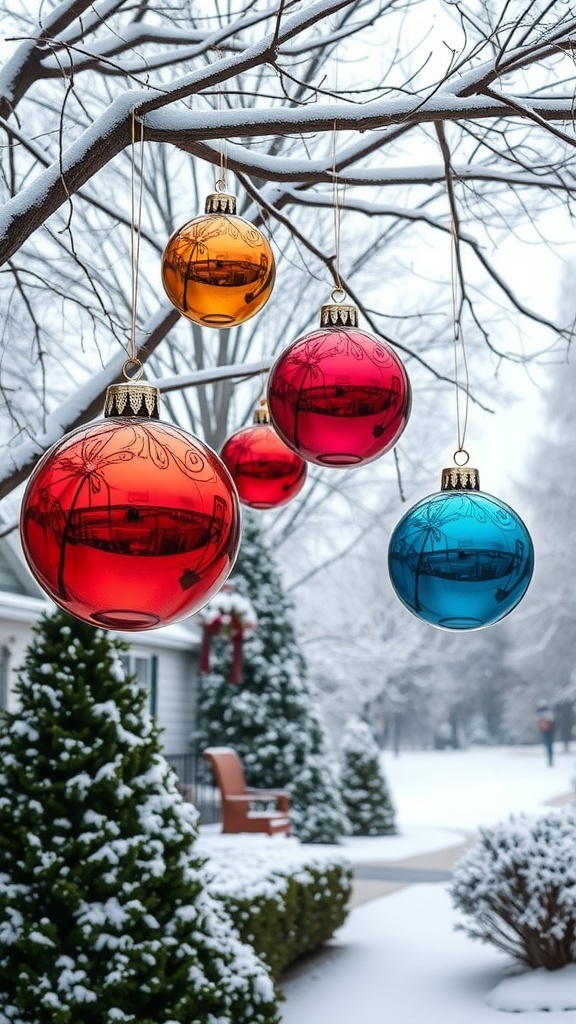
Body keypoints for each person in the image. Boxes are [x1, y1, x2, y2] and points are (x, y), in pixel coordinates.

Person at [536, 702, 556, 767]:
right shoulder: (545, 714)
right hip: (547, 732)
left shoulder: (545, 714)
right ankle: (550, 760)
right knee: (549, 747)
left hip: (548, 732)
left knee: (549, 746)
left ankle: (550, 760)